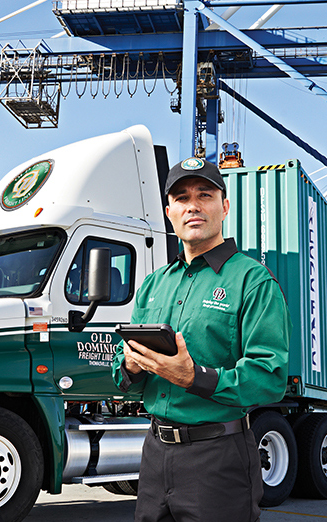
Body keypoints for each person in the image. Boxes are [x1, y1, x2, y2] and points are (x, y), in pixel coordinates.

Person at [112, 157, 292, 522]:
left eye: (204, 194)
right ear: (169, 212)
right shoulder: (154, 284)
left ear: (224, 206)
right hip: (153, 455)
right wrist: (129, 363)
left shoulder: (253, 281)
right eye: (181, 198)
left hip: (218, 457)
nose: (192, 205)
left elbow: (269, 378)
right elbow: (121, 371)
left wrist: (194, 377)